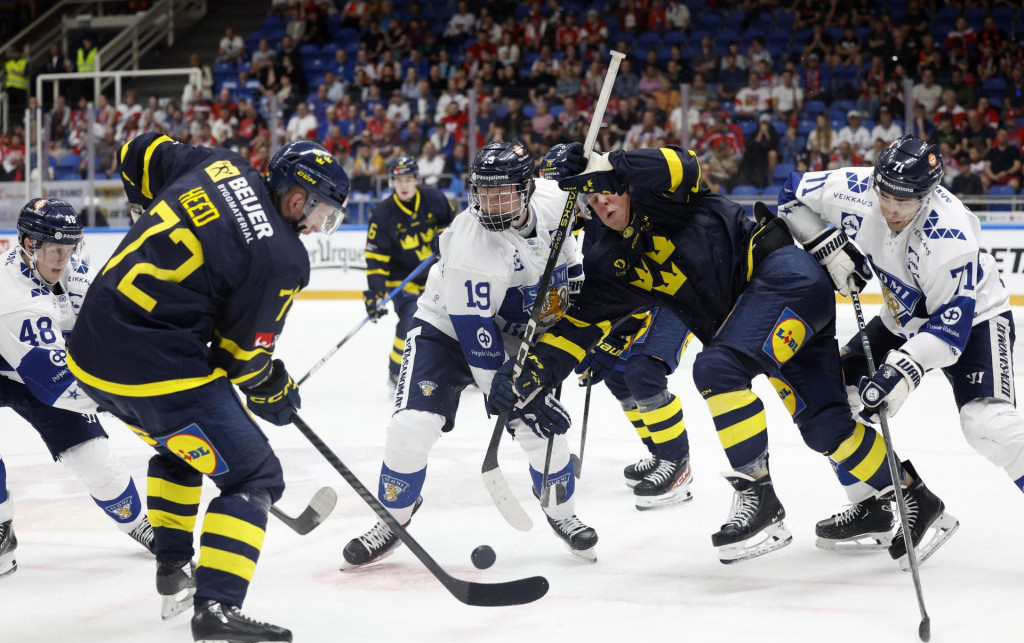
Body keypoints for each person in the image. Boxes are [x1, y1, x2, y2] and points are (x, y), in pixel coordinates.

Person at [490, 142, 954, 568]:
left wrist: (607, 163)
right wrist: (529, 372)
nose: (603, 203)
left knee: (718, 369)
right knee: (826, 427)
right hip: (768, 319)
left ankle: (760, 498)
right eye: (592, 199)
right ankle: (919, 499)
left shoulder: (660, 194)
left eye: (608, 191)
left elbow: (684, 162)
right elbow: (579, 326)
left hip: (783, 280)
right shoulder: (606, 256)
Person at [66, 134, 349, 643]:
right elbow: (243, 360)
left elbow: (138, 149)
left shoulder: (217, 165)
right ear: (296, 195)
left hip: (89, 350)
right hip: (154, 365)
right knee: (254, 476)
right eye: (319, 211)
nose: (316, 226)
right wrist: (274, 388)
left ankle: (173, 570)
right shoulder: (282, 259)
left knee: (183, 446)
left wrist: (144, 210)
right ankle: (217, 615)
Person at [342, 140, 598, 568]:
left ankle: (562, 514)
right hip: (446, 332)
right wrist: (513, 393)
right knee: (410, 427)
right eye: (483, 194)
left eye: (502, 194)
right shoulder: (469, 247)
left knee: (545, 433)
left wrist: (587, 167)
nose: (491, 205)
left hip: (518, 332)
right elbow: (477, 341)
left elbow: (594, 215)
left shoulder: (558, 199)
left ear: (528, 189)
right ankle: (392, 518)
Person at [777, 135, 1019, 551]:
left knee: (985, 425)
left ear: (927, 196)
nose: (891, 208)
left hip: (975, 320)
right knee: (833, 399)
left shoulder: (950, 235)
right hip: (901, 318)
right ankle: (874, 507)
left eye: (904, 201)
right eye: (885, 194)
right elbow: (790, 194)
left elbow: (949, 331)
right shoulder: (851, 189)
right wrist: (823, 242)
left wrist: (902, 372)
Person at [0, 199, 156, 579]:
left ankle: (140, 524)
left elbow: (111, 327)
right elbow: (56, 387)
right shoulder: (13, 299)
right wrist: (129, 401)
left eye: (70, 249)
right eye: (54, 249)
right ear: (27, 243)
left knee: (95, 457)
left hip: (34, 369)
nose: (62, 259)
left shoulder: (72, 272)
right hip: (34, 370)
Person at [576, 308, 694, 509]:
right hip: (634, 298)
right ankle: (660, 455)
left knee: (643, 372)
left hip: (678, 294)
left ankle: (675, 461)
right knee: (616, 373)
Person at [364, 155, 455, 388]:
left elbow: (452, 229)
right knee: (411, 318)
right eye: (398, 180)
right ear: (392, 182)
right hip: (402, 280)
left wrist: (443, 240)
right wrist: (375, 293)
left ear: (416, 179)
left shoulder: (434, 199)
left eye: (408, 179)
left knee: (454, 321)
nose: (403, 185)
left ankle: (459, 369)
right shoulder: (383, 215)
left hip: (436, 277)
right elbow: (376, 260)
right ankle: (396, 371)